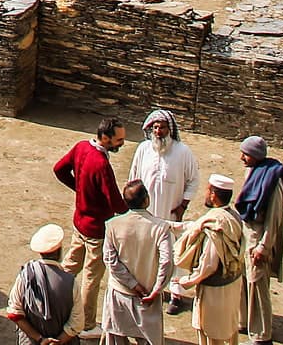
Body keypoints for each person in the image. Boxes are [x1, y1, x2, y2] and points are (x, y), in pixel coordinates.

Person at [53, 118, 129, 339]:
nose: (121, 144)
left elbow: (59, 169)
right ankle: (86, 324)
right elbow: (115, 200)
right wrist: (131, 212)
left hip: (80, 221)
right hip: (97, 229)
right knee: (91, 277)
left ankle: (56, 301)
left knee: (70, 265)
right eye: (119, 140)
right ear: (106, 138)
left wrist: (78, 189)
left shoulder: (81, 147)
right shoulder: (101, 164)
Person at [174, 174, 247, 345]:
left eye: (207, 190)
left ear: (213, 194)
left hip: (215, 292)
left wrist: (188, 281)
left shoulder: (216, 226)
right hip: (232, 284)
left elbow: (209, 264)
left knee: (212, 335)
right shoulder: (234, 217)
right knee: (229, 329)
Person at [100, 179, 173, 345]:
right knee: (148, 341)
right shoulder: (160, 228)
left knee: (115, 339)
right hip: (147, 298)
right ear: (146, 200)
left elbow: (111, 261)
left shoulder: (112, 225)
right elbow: (166, 262)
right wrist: (156, 289)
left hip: (119, 294)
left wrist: (132, 284)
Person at [236, 136, 283, 345]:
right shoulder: (252, 172)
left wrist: (263, 246)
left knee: (257, 285)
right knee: (243, 282)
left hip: (258, 240)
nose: (242, 157)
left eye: (246, 154)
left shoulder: (272, 180)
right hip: (246, 236)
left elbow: (274, 218)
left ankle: (261, 335)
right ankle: (244, 322)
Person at [3, 223, 78, 345]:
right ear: (59, 252)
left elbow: (14, 313)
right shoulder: (71, 282)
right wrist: (58, 342)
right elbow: (77, 324)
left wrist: (40, 339)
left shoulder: (25, 276)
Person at [127, 109, 199, 231]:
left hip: (170, 214)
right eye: (155, 127)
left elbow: (193, 180)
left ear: (169, 129)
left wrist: (182, 207)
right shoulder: (143, 149)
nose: (158, 132)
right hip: (145, 214)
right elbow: (133, 179)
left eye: (162, 128)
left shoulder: (183, 151)